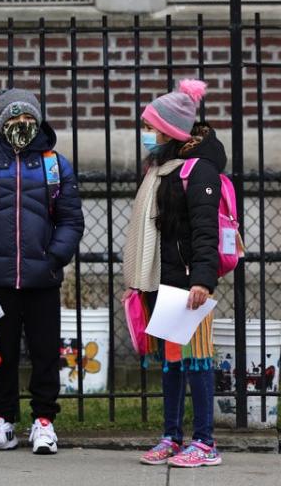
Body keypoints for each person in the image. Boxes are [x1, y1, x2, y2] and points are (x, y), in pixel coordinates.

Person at [0, 88, 84, 455]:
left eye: (28, 118)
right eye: (13, 119)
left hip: (42, 280)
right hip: (0, 281)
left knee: (46, 352)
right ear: (0, 124)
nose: (22, 125)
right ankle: (2, 422)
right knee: (2, 354)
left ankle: (44, 422)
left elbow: (71, 221)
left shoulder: (55, 165)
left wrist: (53, 258)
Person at [123, 80, 223, 468]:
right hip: (163, 281)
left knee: (197, 361)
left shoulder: (198, 171)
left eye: (151, 127)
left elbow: (205, 230)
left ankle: (205, 442)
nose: (146, 134)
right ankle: (171, 436)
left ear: (170, 130)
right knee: (172, 364)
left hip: (189, 283)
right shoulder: (160, 168)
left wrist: (202, 279)